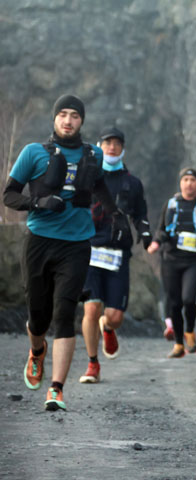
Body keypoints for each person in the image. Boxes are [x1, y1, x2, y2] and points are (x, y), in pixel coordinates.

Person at [3, 94, 125, 411]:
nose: (68, 120)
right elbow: (9, 195)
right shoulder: (33, 153)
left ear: (81, 121)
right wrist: (37, 203)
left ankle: (56, 389)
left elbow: (98, 188)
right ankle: (37, 351)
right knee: (38, 318)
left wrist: (116, 215)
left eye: (74, 115)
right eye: (63, 115)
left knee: (65, 314)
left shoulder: (93, 154)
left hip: (76, 244)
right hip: (39, 241)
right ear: (54, 119)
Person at [78, 127, 152, 384]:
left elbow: (140, 215)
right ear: (100, 146)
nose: (112, 147)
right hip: (89, 251)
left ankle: (107, 328)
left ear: (123, 149)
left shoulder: (132, 183)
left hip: (118, 253)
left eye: (117, 143)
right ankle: (92, 364)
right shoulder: (87, 177)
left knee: (115, 317)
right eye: (107, 143)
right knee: (90, 309)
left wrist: (146, 236)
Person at [147, 167, 196, 358]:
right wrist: (155, 243)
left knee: (188, 299)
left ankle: (190, 330)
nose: (189, 183)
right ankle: (179, 344)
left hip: (193, 260)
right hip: (170, 259)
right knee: (175, 303)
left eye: (193, 180)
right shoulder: (171, 204)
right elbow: (161, 229)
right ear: (180, 183)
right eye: (185, 179)